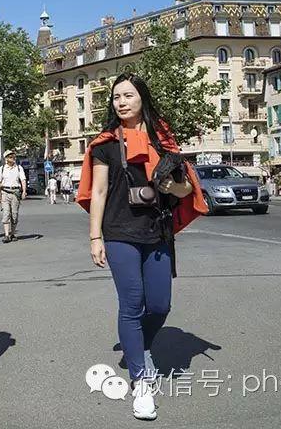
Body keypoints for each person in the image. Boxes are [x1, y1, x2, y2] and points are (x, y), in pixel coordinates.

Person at [76, 73, 207, 421]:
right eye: (116, 97)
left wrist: (170, 181)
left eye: (128, 95)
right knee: (131, 304)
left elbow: (184, 192)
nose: (121, 102)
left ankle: (139, 346)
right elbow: (99, 192)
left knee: (160, 304)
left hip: (157, 230)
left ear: (142, 99)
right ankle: (141, 380)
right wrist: (94, 236)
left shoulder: (164, 141)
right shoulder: (104, 143)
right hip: (119, 231)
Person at [0, 150, 27, 243]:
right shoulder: (2, 168)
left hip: (15, 193)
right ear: (6, 159)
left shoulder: (19, 168)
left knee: (14, 215)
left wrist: (24, 191)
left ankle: (12, 234)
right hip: (5, 192)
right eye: (10, 157)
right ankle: (6, 235)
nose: (13, 158)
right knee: (6, 213)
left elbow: (23, 180)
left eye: (13, 156)